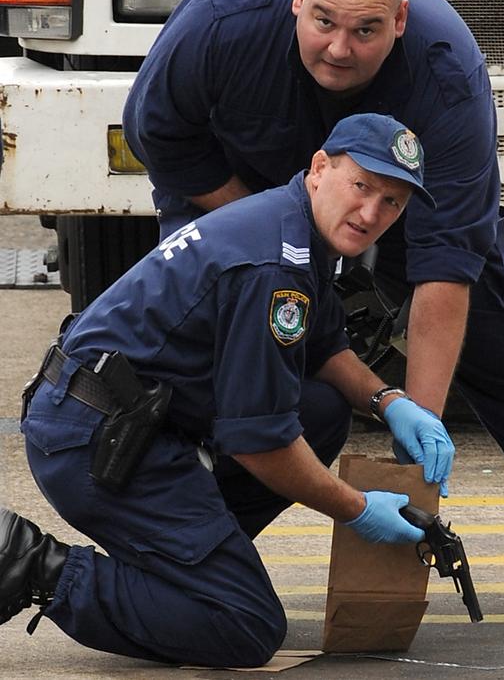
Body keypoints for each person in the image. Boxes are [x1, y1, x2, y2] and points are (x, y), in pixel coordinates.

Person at [122, 0, 504, 610]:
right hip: (238, 188)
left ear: (398, 22)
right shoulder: (222, 21)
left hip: (400, 188)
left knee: (502, 335)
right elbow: (159, 132)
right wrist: (277, 243)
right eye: (324, 23)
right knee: (213, 334)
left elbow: (446, 275)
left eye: (366, 31)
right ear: (298, 0)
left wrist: (417, 434)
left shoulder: (445, 74)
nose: (339, 49)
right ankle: (182, 547)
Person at [0, 113, 454, 667]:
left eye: (392, 203)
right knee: (246, 626)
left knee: (323, 410)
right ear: (320, 169)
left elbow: (325, 347)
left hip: (123, 417)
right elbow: (259, 441)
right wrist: (357, 509)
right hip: (95, 441)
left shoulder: (294, 224)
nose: (371, 213)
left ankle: (193, 567)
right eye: (362, 186)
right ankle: (32, 565)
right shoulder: (272, 268)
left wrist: (393, 403)